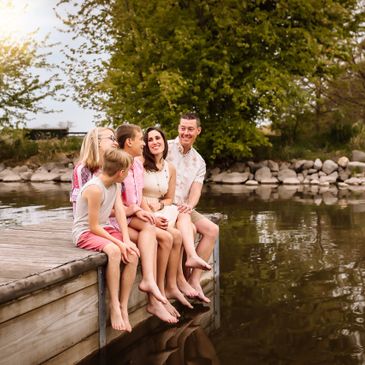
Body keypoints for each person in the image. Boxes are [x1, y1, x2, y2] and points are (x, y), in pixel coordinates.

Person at [72, 148, 140, 332]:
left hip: (105, 228)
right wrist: (118, 243)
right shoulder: (94, 189)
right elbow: (93, 226)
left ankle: (123, 306)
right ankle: (114, 305)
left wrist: (126, 239)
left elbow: (119, 211)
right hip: (85, 231)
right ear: (121, 172)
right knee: (115, 251)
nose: (128, 175)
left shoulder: (115, 184)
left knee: (132, 253)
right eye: (128, 171)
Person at [116, 123, 179, 323]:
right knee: (156, 236)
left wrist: (146, 212)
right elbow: (118, 203)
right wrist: (140, 212)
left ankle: (158, 294)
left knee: (167, 237)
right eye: (142, 139)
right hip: (122, 217)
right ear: (129, 142)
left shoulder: (135, 164)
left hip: (134, 214)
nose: (145, 143)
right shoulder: (119, 165)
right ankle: (153, 294)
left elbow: (138, 195)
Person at [142, 126, 199, 309]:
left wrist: (159, 205)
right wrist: (150, 209)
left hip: (160, 207)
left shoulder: (170, 168)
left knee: (186, 222)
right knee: (181, 232)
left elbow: (168, 199)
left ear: (164, 142)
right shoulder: (139, 163)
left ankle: (174, 283)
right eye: (150, 139)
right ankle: (173, 284)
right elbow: (133, 193)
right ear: (145, 144)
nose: (155, 142)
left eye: (158, 138)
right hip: (144, 209)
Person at [166, 112, 219, 303]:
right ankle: (179, 279)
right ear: (178, 128)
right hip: (165, 203)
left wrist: (190, 205)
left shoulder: (199, 161)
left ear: (198, 131)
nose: (185, 132)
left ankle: (194, 280)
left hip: (184, 206)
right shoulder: (166, 148)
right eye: (182, 128)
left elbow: (196, 190)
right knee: (189, 228)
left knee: (212, 229)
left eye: (190, 129)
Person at [71, 127, 118, 214]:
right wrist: (126, 212)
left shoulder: (110, 167)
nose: (116, 143)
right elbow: (83, 207)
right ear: (97, 141)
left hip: (109, 218)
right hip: (88, 223)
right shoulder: (83, 169)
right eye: (111, 138)